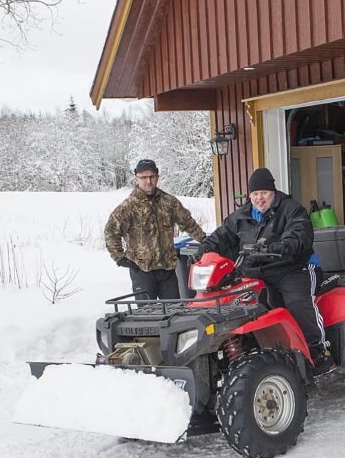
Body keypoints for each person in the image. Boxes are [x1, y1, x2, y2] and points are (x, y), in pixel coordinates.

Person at [196, 167, 333, 375]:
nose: (259, 198)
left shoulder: (291, 209)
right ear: (249, 195)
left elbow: (299, 235)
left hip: (293, 268)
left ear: (273, 192)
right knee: (237, 306)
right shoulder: (241, 216)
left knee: (297, 303)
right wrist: (203, 250)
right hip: (255, 272)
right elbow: (221, 236)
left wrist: (280, 246)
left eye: (264, 193)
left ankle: (319, 351)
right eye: (255, 194)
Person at [104, 158, 206, 300]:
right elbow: (111, 232)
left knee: (174, 313)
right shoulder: (128, 207)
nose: (148, 181)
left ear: (157, 177)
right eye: (144, 177)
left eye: (152, 176)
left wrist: (206, 241)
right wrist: (120, 257)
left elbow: (188, 224)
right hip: (142, 271)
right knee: (147, 315)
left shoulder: (169, 202)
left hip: (167, 270)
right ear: (136, 179)